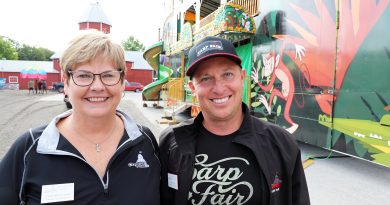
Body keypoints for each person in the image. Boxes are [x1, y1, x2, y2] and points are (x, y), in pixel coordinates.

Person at [0, 31, 160, 204]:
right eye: (84, 76)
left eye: (108, 75)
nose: (98, 86)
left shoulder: (145, 141)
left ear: (122, 82)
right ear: (66, 83)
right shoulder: (30, 147)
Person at [159, 36, 310, 205]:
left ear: (242, 77)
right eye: (206, 78)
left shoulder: (281, 144)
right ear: (193, 87)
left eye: (228, 74)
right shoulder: (171, 143)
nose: (219, 88)